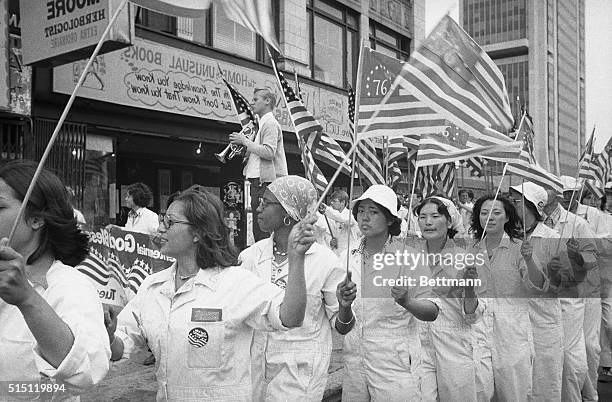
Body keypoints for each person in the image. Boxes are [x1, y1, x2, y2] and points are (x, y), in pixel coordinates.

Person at [106, 185, 313, 400]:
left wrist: (295, 258)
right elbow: (122, 345)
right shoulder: (153, 287)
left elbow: (289, 317)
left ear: (198, 233)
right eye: (161, 219)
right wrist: (109, 334)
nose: (160, 229)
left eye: (170, 222)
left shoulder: (235, 283)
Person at [0, 160, 110, 399]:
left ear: (36, 219)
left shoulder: (70, 287)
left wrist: (27, 299)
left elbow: (85, 374)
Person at [239, 176, 355, 401]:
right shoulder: (250, 256)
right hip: (254, 368)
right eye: (259, 202)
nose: (258, 207)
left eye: (266, 203)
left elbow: (342, 327)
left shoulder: (326, 261)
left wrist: (344, 307)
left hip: (300, 374)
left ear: (288, 212)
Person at [339, 184, 439, 401]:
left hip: (395, 362)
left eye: (374, 212)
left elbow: (432, 311)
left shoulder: (409, 258)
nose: (365, 217)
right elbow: (342, 325)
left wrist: (407, 301)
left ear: (391, 219)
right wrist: (343, 306)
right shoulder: (347, 256)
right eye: (361, 211)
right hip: (354, 361)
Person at [468, 194, 548, 401]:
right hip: (477, 333)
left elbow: (538, 286)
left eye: (496, 213)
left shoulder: (519, 247)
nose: (490, 218)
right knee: (479, 392)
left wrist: (529, 260)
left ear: (506, 217)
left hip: (512, 335)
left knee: (514, 394)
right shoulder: (470, 249)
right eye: (484, 213)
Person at [414, 196, 493, 401]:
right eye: (423, 217)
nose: (428, 222)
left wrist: (468, 289)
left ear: (449, 222)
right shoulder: (410, 257)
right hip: (418, 347)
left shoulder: (467, 258)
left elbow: (474, 315)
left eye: (435, 216)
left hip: (455, 345)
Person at [508, 182, 564, 401]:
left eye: (516, 200)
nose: (510, 204)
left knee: (544, 384)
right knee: (515, 386)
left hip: (543, 322)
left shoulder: (552, 238)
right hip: (512, 326)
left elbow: (557, 285)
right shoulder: (506, 237)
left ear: (532, 206)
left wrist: (530, 261)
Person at [542, 186, 598, 401]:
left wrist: (577, 257)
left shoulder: (578, 224)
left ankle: (584, 396)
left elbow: (593, 259)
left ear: (554, 195)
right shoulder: (529, 225)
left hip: (571, 294)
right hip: (542, 297)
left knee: (571, 353)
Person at [230, 87, 288, 243]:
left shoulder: (269, 124)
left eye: (256, 99)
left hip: (266, 184)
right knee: (259, 227)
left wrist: (245, 142)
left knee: (263, 228)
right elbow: (259, 154)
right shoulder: (263, 124)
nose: (251, 102)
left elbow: (269, 152)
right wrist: (246, 151)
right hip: (259, 183)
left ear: (267, 101)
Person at [318, 189, 361, 255]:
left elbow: (342, 219)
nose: (331, 203)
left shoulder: (350, 215)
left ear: (343, 203)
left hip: (349, 253)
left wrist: (326, 210)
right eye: (331, 201)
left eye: (334, 201)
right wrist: (330, 241)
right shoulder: (330, 216)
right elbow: (327, 233)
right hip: (335, 253)